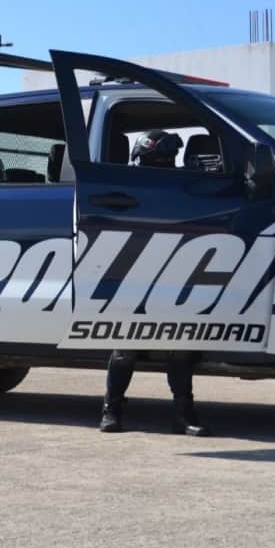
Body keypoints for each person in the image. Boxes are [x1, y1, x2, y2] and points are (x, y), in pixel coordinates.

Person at [99, 130, 210, 436]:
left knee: (180, 347)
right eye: (156, 161)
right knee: (125, 346)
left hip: (174, 276)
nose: (163, 167)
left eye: (168, 161)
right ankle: (111, 409)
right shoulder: (124, 190)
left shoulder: (185, 189)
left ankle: (183, 415)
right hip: (134, 277)